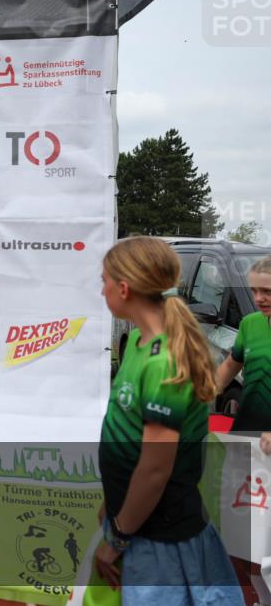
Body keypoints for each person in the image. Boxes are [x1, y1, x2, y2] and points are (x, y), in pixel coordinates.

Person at [95, 236, 243, 604]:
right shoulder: (140, 343)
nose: (101, 291)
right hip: (140, 524)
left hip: (160, 536)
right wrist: (112, 505)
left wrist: (117, 537)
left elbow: (155, 469)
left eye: (104, 281)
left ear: (124, 288)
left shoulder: (164, 362)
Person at [216, 255, 271, 434]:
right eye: (254, 291)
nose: (258, 299)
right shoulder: (249, 323)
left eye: (267, 291)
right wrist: (199, 397)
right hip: (245, 429)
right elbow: (231, 365)